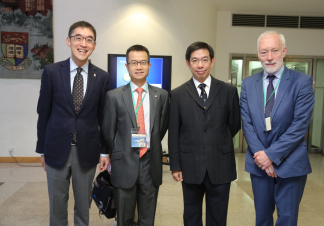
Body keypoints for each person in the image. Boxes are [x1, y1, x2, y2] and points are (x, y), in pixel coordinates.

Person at [35, 21, 110, 225]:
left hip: (87, 150)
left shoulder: (102, 77)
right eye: (78, 38)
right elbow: (43, 113)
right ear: (69, 41)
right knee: (57, 204)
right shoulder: (51, 72)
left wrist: (105, 152)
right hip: (55, 148)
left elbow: (104, 118)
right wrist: (42, 149)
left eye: (89, 40)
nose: (83, 43)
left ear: (94, 45)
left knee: (83, 205)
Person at [240, 31, 314, 226]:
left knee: (287, 219)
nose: (269, 57)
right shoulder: (248, 84)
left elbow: (300, 125)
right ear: (258, 54)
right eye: (264, 52)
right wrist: (262, 157)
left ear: (284, 51)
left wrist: (271, 155)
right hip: (259, 163)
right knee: (262, 218)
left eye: (274, 51)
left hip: (290, 162)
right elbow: (246, 123)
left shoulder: (302, 82)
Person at [168, 41, 241, 226]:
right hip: (189, 165)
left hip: (221, 164)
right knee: (191, 215)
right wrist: (175, 165)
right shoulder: (177, 94)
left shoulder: (229, 91)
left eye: (204, 60)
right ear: (188, 63)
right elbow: (174, 131)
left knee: (218, 216)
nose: (200, 65)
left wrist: (215, 140)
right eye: (195, 60)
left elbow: (234, 124)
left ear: (212, 61)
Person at [102, 45, 169, 226]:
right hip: (124, 164)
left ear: (149, 66)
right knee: (124, 219)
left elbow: (160, 129)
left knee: (148, 218)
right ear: (127, 66)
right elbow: (109, 132)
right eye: (134, 62)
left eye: (143, 62)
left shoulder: (162, 96)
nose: (138, 66)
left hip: (150, 163)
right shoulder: (114, 96)